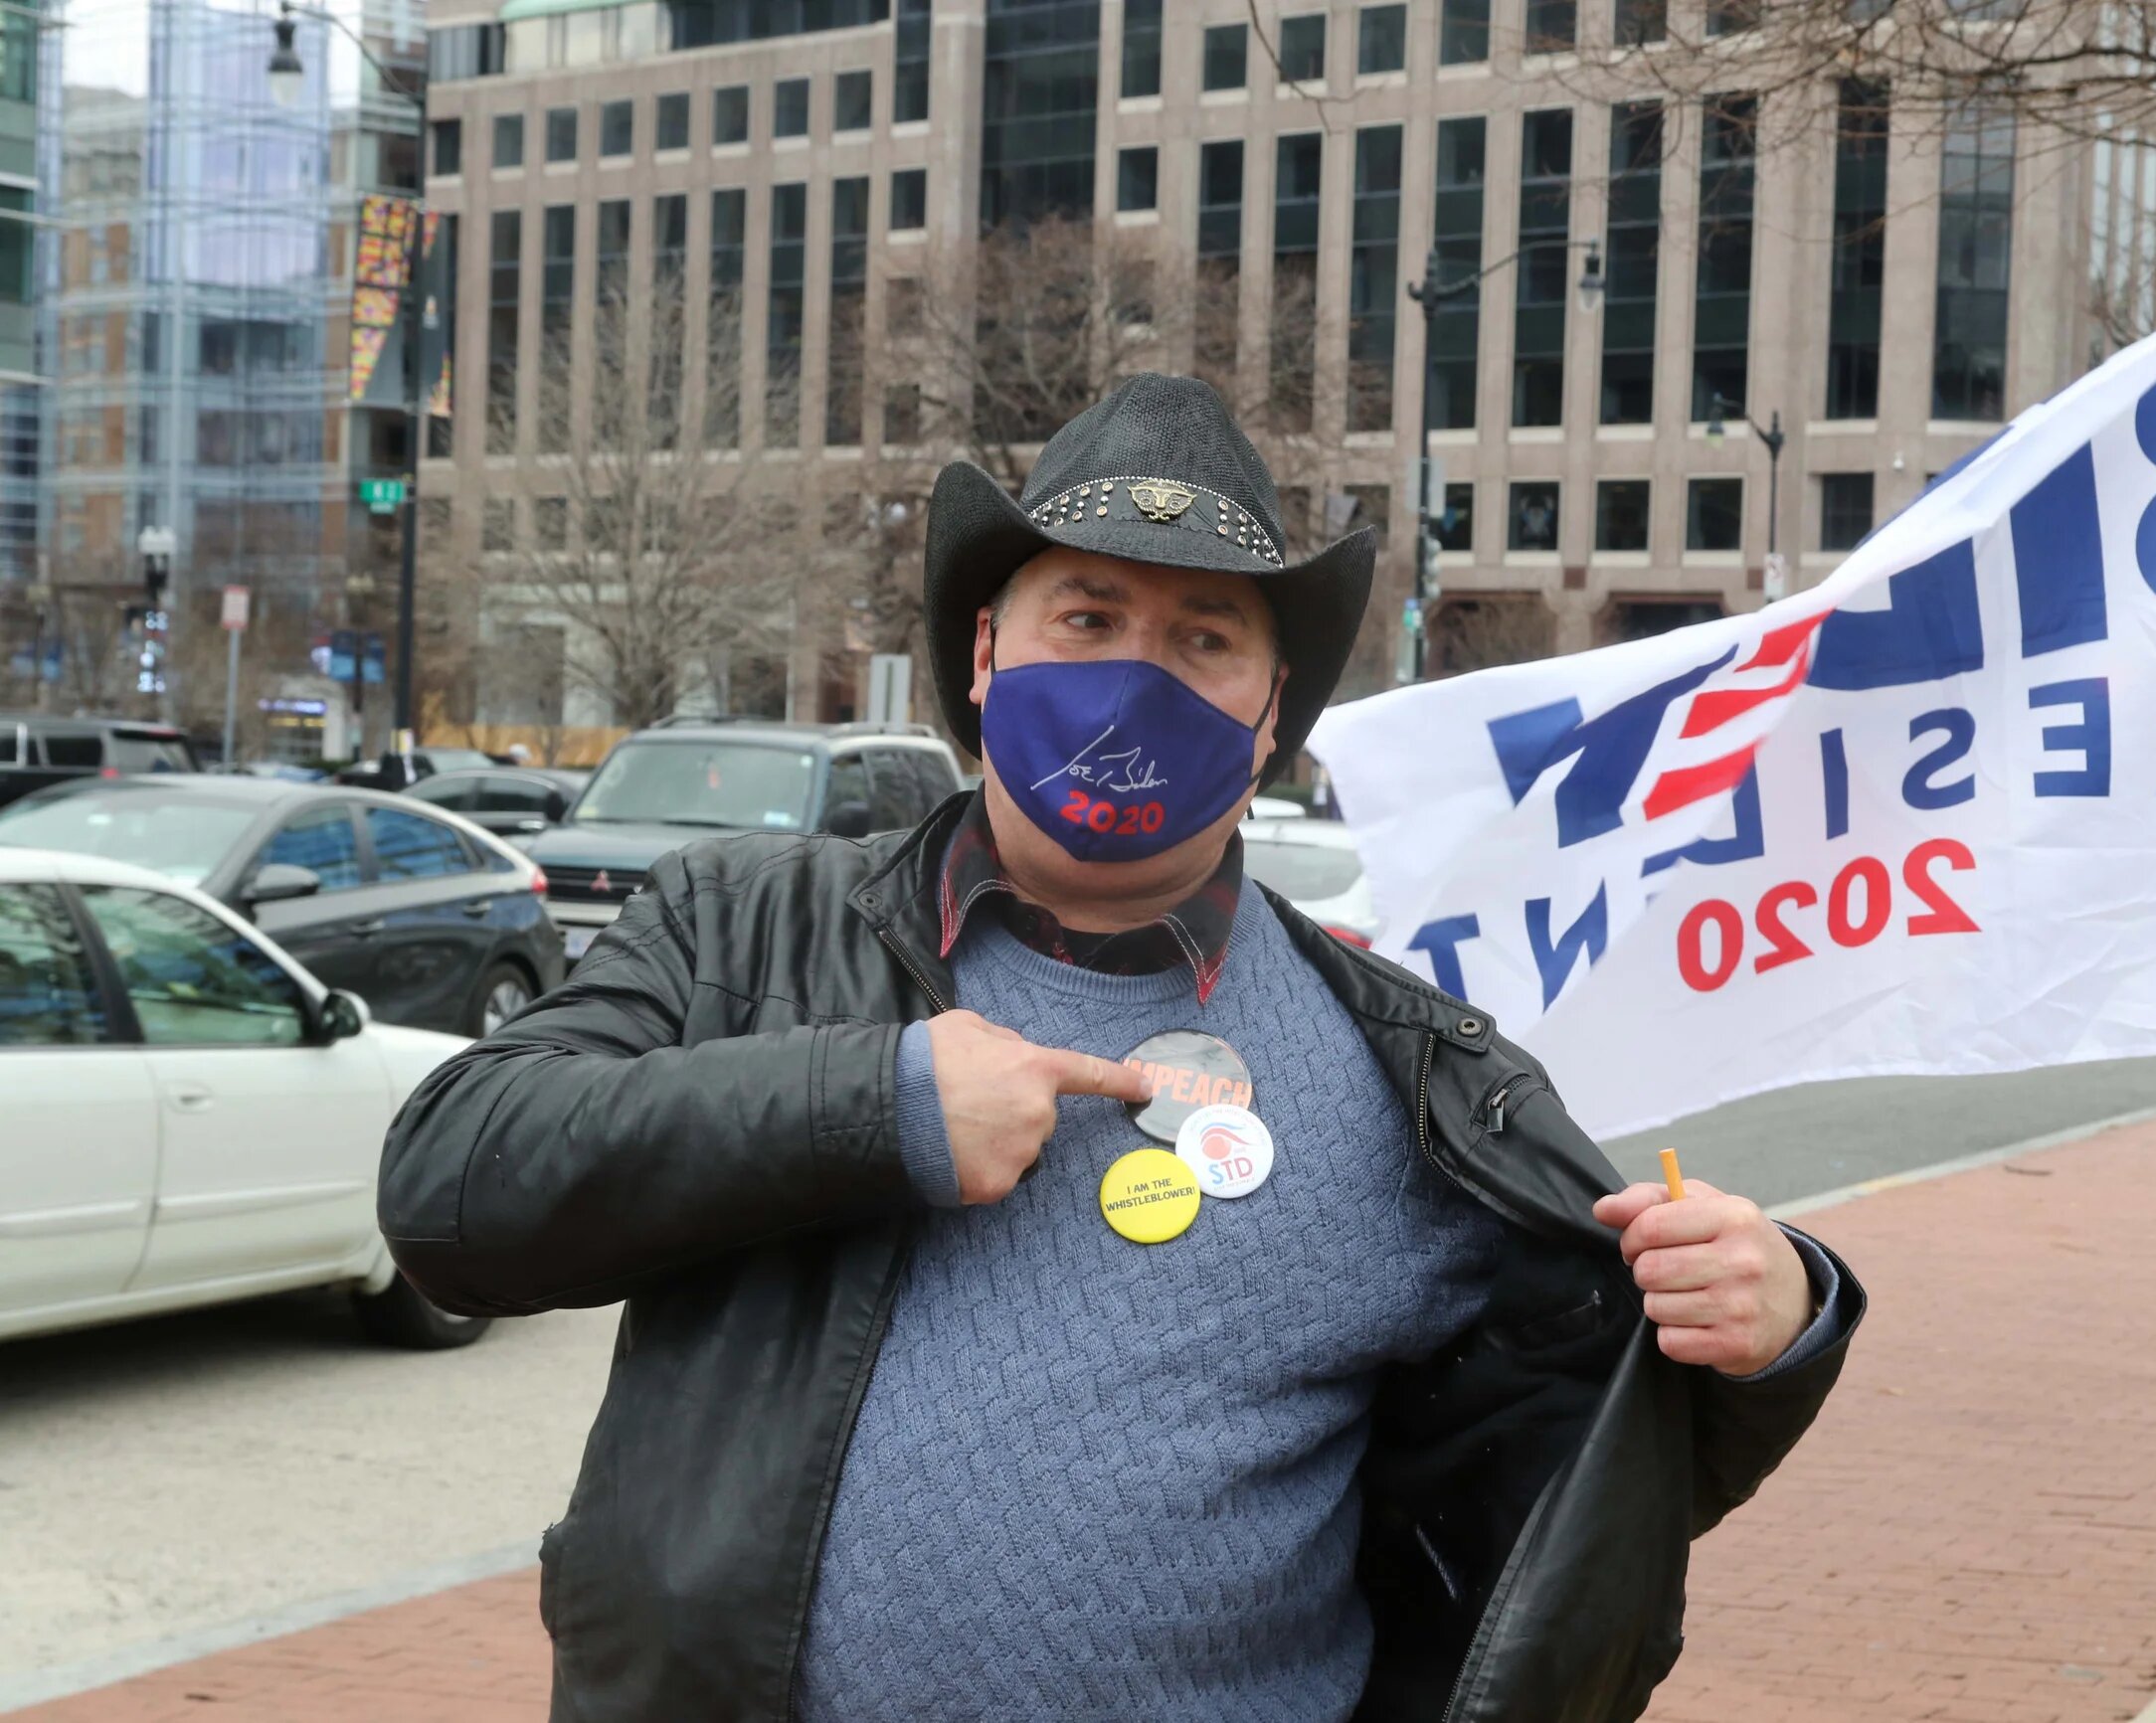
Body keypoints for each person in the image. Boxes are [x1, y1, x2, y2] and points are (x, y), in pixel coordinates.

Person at [379, 375, 1862, 1723]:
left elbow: (1583, 1480)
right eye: (1085, 619)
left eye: (1202, 638)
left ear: (1271, 711)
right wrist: (870, 1103)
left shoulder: (1403, 1066)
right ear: (983, 652)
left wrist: (1773, 1319)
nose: (1135, 677)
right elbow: (455, 1190)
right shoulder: (744, 925)